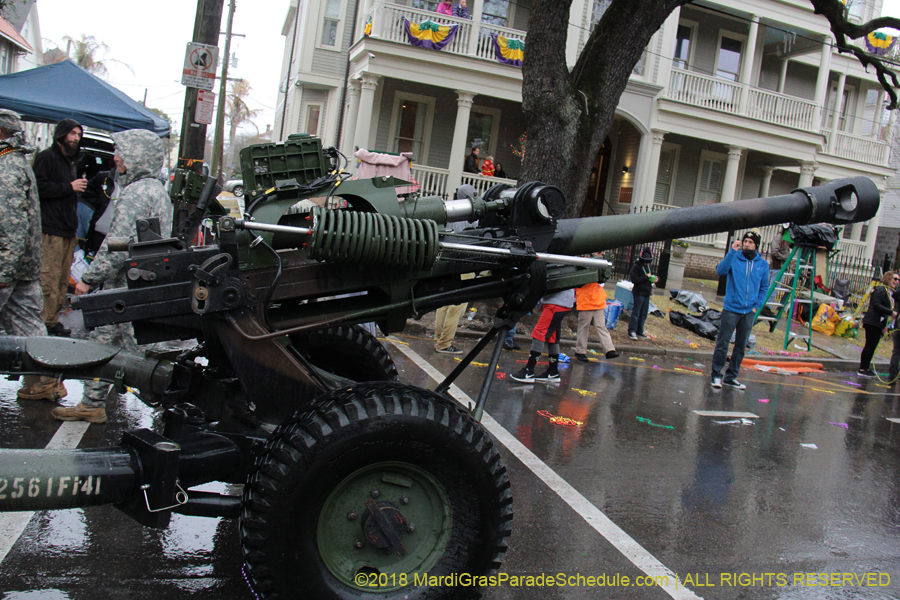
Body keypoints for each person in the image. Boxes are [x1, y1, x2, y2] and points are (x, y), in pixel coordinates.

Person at [51, 129, 173, 424]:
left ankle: (173, 409)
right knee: (103, 345)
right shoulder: (155, 190)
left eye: (122, 152)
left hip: (128, 290)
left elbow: (117, 245)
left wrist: (89, 278)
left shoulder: (137, 193)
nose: (116, 158)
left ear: (138, 156)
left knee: (144, 357)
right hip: (134, 286)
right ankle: (92, 403)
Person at [0, 110, 65, 401]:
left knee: (27, 323)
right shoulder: (16, 163)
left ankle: (45, 379)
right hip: (21, 266)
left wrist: (3, 271)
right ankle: (45, 379)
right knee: (28, 324)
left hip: (7, 265)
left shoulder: (6, 168)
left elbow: (11, 225)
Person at [32, 118, 86, 337]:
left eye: (78, 134)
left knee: (63, 280)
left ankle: (52, 319)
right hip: (50, 229)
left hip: (66, 230)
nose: (75, 138)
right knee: (49, 278)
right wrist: (68, 187)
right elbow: (39, 188)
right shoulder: (47, 157)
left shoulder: (69, 162)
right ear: (61, 135)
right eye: (72, 133)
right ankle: (44, 321)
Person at [710, 229, 769, 390]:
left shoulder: (762, 265)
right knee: (723, 343)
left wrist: (757, 307)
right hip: (731, 308)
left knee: (741, 346)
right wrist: (731, 252)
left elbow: (764, 288)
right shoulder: (735, 258)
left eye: (750, 242)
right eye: (745, 242)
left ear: (756, 245)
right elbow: (721, 271)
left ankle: (731, 376)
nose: (747, 244)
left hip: (749, 311)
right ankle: (716, 375)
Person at [510, 289, 574, 383]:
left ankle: (529, 371)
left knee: (539, 333)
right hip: (561, 302)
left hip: (556, 302)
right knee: (553, 336)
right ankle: (553, 372)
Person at [574, 256, 619, 361]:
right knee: (584, 327)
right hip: (587, 301)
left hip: (597, 301)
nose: (601, 254)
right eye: (599, 252)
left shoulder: (599, 263)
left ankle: (609, 350)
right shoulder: (583, 263)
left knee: (600, 326)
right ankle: (580, 351)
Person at [858, 271, 898, 378]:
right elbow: (876, 304)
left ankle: (866, 367)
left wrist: (885, 325)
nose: (897, 281)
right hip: (872, 321)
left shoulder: (888, 292)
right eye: (895, 279)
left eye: (898, 280)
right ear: (888, 278)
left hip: (878, 323)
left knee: (873, 346)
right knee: (869, 345)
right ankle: (862, 368)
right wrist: (891, 312)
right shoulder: (881, 289)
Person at [627, 247, 656, 340]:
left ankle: (640, 330)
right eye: (646, 261)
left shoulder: (648, 267)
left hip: (646, 292)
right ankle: (632, 330)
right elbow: (634, 279)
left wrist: (654, 279)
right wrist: (646, 278)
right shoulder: (636, 267)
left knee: (644, 313)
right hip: (639, 292)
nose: (647, 263)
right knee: (636, 312)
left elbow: (649, 277)